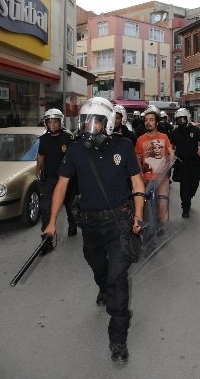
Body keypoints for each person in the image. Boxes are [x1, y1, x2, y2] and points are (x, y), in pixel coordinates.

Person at [43, 97, 145, 363]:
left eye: (95, 122)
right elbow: (61, 186)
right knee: (97, 265)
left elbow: (137, 183)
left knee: (118, 278)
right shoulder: (76, 151)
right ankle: (105, 287)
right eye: (85, 122)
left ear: (108, 124)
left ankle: (118, 339)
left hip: (119, 221)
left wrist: (139, 216)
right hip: (89, 222)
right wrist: (52, 222)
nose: (89, 127)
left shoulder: (124, 146)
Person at [36, 108, 77, 243]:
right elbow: (41, 156)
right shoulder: (43, 139)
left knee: (70, 206)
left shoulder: (69, 138)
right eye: (50, 122)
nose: (52, 125)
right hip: (50, 179)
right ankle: (46, 238)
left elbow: (75, 159)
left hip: (67, 179)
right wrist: (38, 171)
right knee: (46, 207)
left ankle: (72, 225)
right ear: (46, 124)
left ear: (61, 122)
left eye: (55, 122)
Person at [135, 105, 174, 224]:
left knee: (163, 208)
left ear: (156, 122)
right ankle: (149, 233)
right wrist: (141, 177)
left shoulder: (164, 137)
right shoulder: (140, 140)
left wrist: (167, 166)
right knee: (147, 210)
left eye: (151, 120)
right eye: (146, 120)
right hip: (146, 179)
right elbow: (137, 159)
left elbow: (171, 153)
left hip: (162, 179)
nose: (148, 122)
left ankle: (163, 229)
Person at [170, 108, 200, 218]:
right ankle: (185, 207)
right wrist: (171, 154)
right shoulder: (174, 132)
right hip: (181, 164)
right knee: (184, 186)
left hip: (194, 163)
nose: (181, 122)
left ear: (187, 119)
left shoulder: (195, 130)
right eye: (179, 120)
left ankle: (188, 198)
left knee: (194, 185)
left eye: (183, 119)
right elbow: (171, 146)